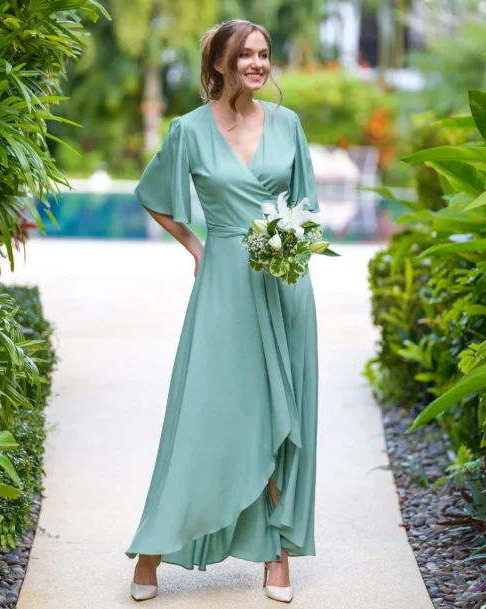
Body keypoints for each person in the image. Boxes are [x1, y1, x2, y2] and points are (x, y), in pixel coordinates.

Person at [125, 18, 321, 604]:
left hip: (284, 285)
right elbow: (154, 196)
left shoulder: (289, 126)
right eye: (246, 57)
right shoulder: (188, 130)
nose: (258, 65)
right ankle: (153, 548)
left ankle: (278, 557)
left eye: (264, 55)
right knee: (203, 416)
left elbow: (306, 207)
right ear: (219, 65)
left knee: (282, 419)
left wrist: (294, 243)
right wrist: (197, 247)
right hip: (224, 285)